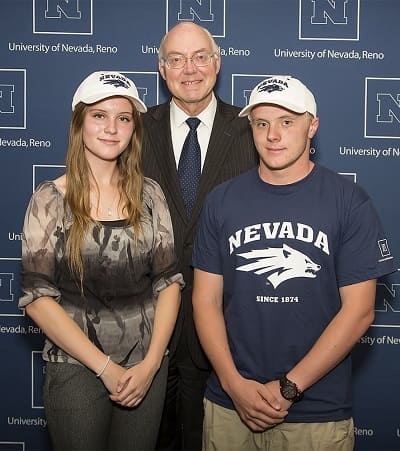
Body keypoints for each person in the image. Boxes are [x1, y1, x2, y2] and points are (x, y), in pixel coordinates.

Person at [192, 75, 395, 451]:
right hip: (230, 406)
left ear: (312, 126)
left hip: (317, 411)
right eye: (262, 123)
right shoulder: (221, 202)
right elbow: (205, 301)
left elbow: (360, 312)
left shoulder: (349, 201)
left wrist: (290, 387)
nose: (273, 135)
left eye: (287, 122)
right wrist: (234, 385)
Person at [19, 71, 184, 451]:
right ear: (79, 123)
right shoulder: (49, 199)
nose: (112, 128)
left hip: (147, 370)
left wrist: (151, 364)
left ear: (133, 129)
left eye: (123, 118)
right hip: (76, 370)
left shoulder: (150, 194)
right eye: (99, 116)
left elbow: (169, 283)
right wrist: (106, 368)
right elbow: (38, 300)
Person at [141, 21, 258, 451]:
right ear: (161, 68)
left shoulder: (253, 131)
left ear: (217, 63)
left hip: (228, 328)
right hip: (144, 327)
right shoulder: (133, 130)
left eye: (199, 57)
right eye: (176, 59)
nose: (189, 69)